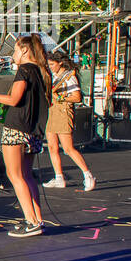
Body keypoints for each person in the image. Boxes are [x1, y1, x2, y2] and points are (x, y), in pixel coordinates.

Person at [0, 34, 49, 237]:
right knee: (26, 176)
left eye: (15, 50)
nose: (13, 55)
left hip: (16, 128)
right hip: (32, 129)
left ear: (25, 50)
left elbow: (14, 99)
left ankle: (31, 221)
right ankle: (38, 219)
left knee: (14, 175)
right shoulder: (40, 71)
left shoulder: (25, 69)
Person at [43, 51, 96, 191]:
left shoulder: (68, 77)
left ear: (60, 63)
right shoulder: (54, 76)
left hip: (63, 111)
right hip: (52, 111)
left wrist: (61, 98)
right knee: (52, 147)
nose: (50, 67)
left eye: (52, 64)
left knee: (67, 148)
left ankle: (88, 175)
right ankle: (59, 177)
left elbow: (77, 97)